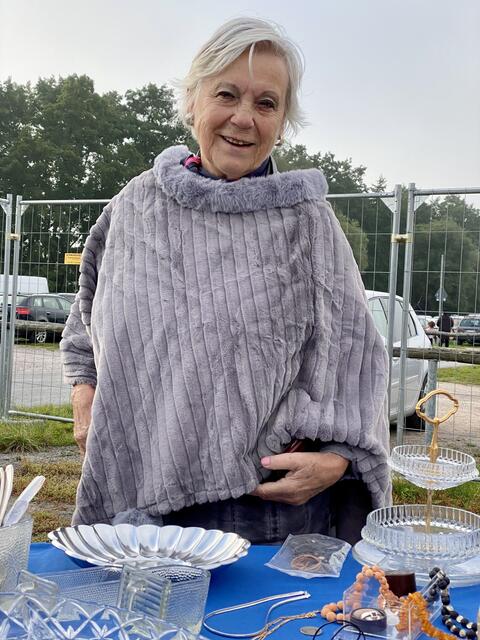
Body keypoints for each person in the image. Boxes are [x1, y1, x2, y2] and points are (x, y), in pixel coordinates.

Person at [60, 17, 390, 545]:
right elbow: (86, 319)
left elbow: (356, 355)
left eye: (266, 103)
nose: (243, 118)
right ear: (192, 101)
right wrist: (85, 396)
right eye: (227, 94)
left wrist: (338, 457)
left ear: (282, 122)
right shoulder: (134, 208)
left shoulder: (306, 222)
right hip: (140, 502)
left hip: (265, 511)